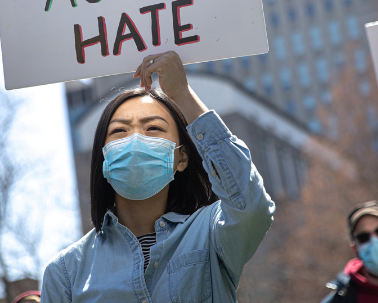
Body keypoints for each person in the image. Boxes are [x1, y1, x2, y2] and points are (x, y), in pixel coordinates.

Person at [41, 51, 275, 302]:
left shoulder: (211, 232)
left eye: (153, 128)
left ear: (182, 157)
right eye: (119, 130)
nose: (135, 140)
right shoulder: (65, 273)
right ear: (104, 158)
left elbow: (251, 207)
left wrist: (183, 94)